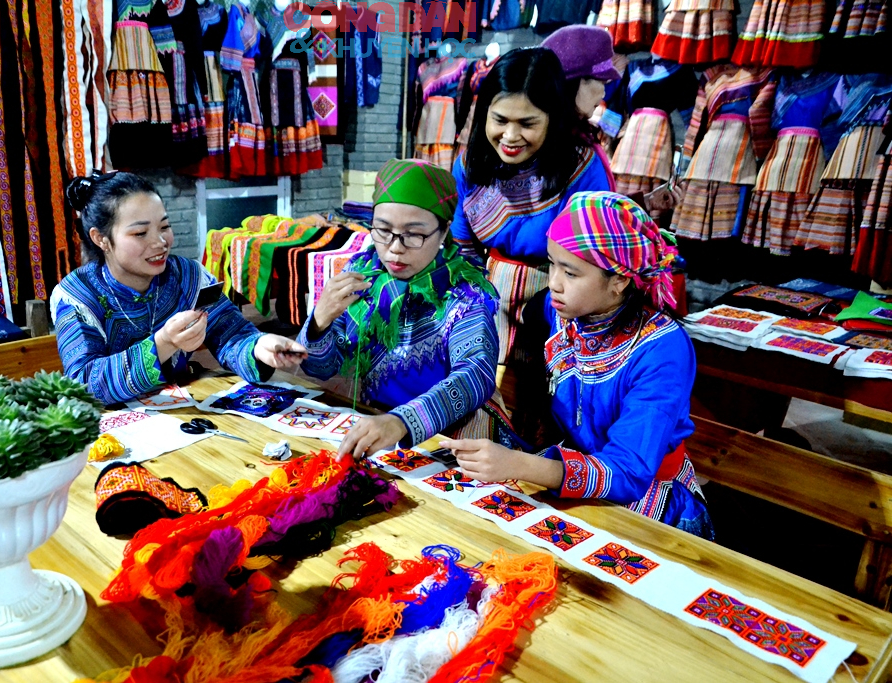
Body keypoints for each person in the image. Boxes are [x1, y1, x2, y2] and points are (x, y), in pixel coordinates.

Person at [441, 192, 714, 539]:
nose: (554, 283)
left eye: (570, 272)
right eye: (551, 265)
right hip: (572, 481)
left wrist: (521, 464)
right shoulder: (564, 313)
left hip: (648, 503)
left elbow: (629, 471)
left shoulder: (662, 349)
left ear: (620, 280)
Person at [297, 159, 508, 459]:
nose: (395, 248)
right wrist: (320, 321)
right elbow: (321, 368)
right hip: (376, 427)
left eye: (413, 234)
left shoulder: (465, 293)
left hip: (453, 440)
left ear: (444, 231)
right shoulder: (361, 274)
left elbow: (475, 374)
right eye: (383, 230)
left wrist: (403, 421)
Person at [51, 172, 306, 404]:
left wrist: (259, 347)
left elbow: (230, 335)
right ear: (101, 239)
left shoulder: (187, 277)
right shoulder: (77, 297)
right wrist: (163, 343)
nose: (160, 242)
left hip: (182, 413)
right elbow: (83, 385)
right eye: (140, 233)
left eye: (164, 227)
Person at [451, 46, 616, 374]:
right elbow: (461, 244)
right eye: (500, 120)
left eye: (527, 123)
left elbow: (593, 258)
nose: (510, 136)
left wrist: (548, 310)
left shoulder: (581, 167)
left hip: (559, 305)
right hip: (487, 300)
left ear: (552, 118)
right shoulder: (471, 164)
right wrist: (475, 302)